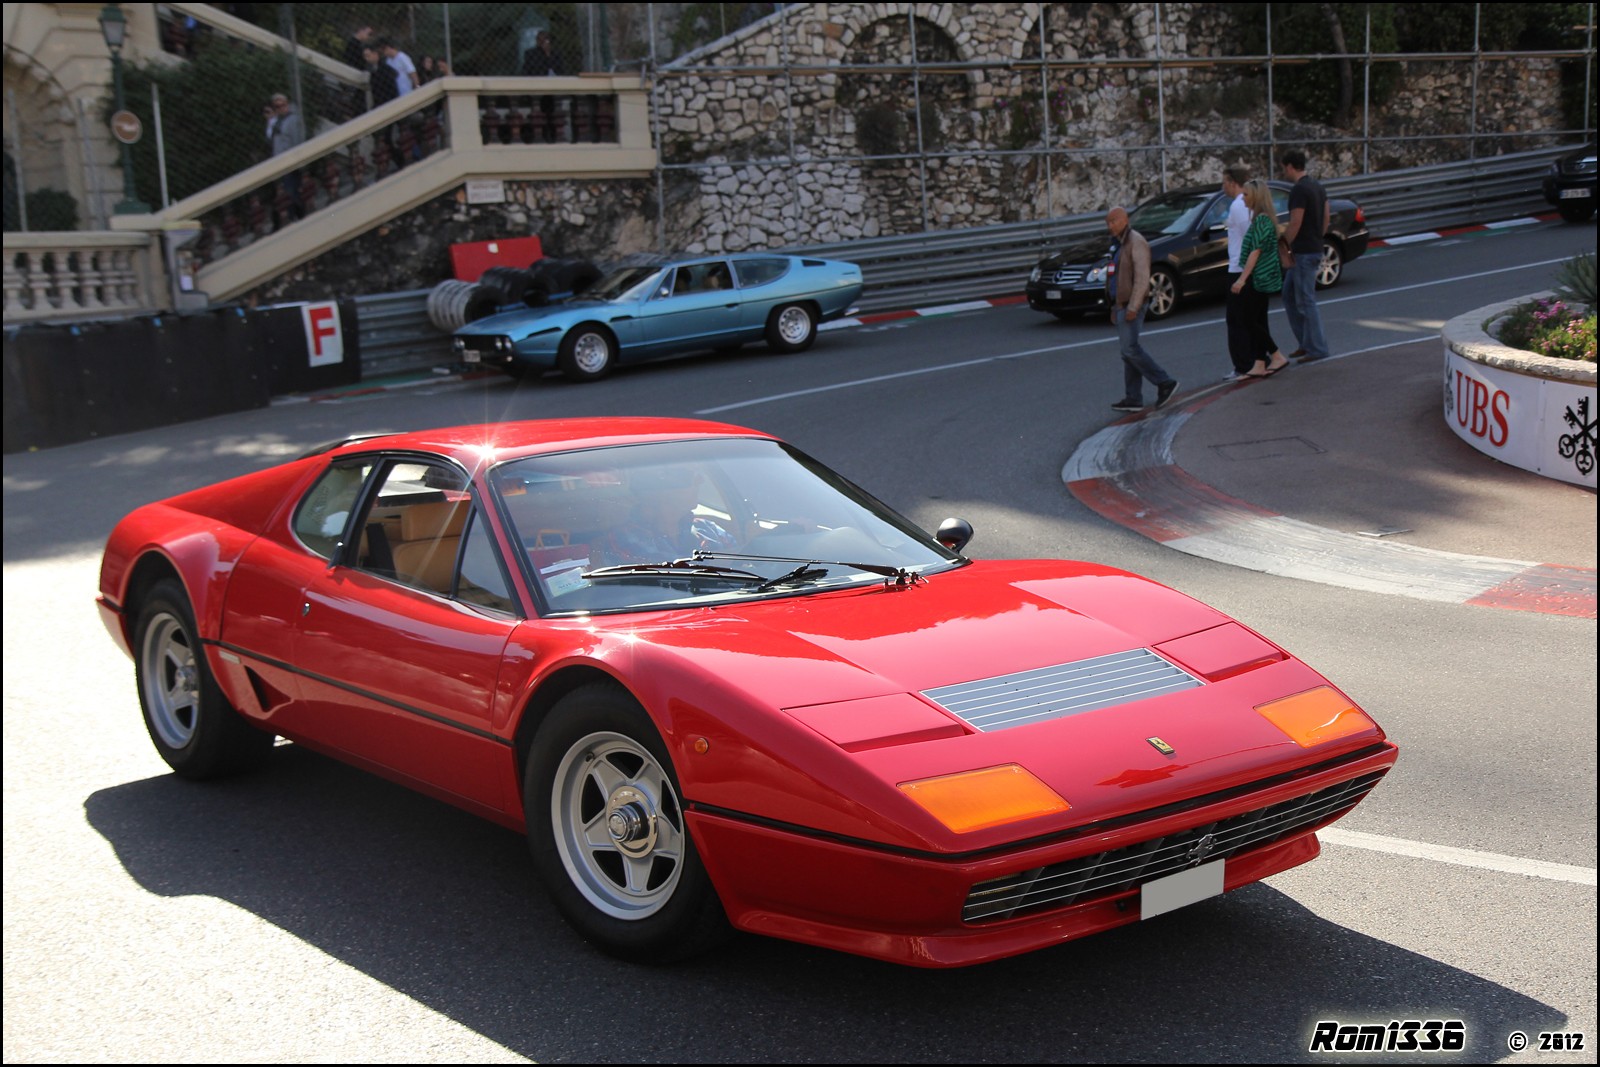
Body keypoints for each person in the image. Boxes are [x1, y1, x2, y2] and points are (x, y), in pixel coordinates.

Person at [1105, 206, 1179, 413]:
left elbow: (1142, 277)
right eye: (1108, 222)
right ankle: (1133, 398)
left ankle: (1165, 382)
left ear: (1124, 220)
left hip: (1132, 303)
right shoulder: (1118, 243)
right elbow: (1115, 276)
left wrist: (1133, 306)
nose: (1110, 226)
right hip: (1121, 303)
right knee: (1128, 352)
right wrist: (1114, 304)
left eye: (1113, 221)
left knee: (1130, 349)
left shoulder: (1135, 241)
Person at [601, 467, 737, 564]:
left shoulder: (708, 527)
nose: (700, 481)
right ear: (660, 490)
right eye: (689, 477)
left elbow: (741, 560)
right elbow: (672, 575)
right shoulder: (624, 538)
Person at [1230, 178, 1291, 378]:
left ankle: (1276, 355)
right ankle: (1259, 362)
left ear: (1256, 197)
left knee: (1249, 320)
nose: (1243, 198)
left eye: (1246, 194)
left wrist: (1242, 279)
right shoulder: (1261, 219)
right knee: (1258, 319)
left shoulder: (1262, 220)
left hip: (1259, 277)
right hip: (1260, 275)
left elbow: (1255, 252)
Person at [1280, 148, 1332, 363]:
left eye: (1284, 168)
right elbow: (1326, 216)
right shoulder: (1317, 186)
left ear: (1290, 167)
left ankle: (1317, 347)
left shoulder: (1299, 190)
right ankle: (1306, 342)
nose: (1284, 172)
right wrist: (1318, 237)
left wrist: (1283, 245)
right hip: (1313, 248)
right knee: (1290, 295)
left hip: (1303, 252)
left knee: (1305, 301)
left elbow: (1295, 222)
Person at [1220, 164, 1254, 381]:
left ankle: (1244, 365)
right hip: (1242, 268)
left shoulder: (1238, 205)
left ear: (1233, 183)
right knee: (1246, 318)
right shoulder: (1244, 203)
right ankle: (1256, 360)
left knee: (1236, 320)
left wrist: (1243, 275)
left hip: (1239, 269)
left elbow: (1250, 237)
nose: (1222, 186)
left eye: (1224, 181)